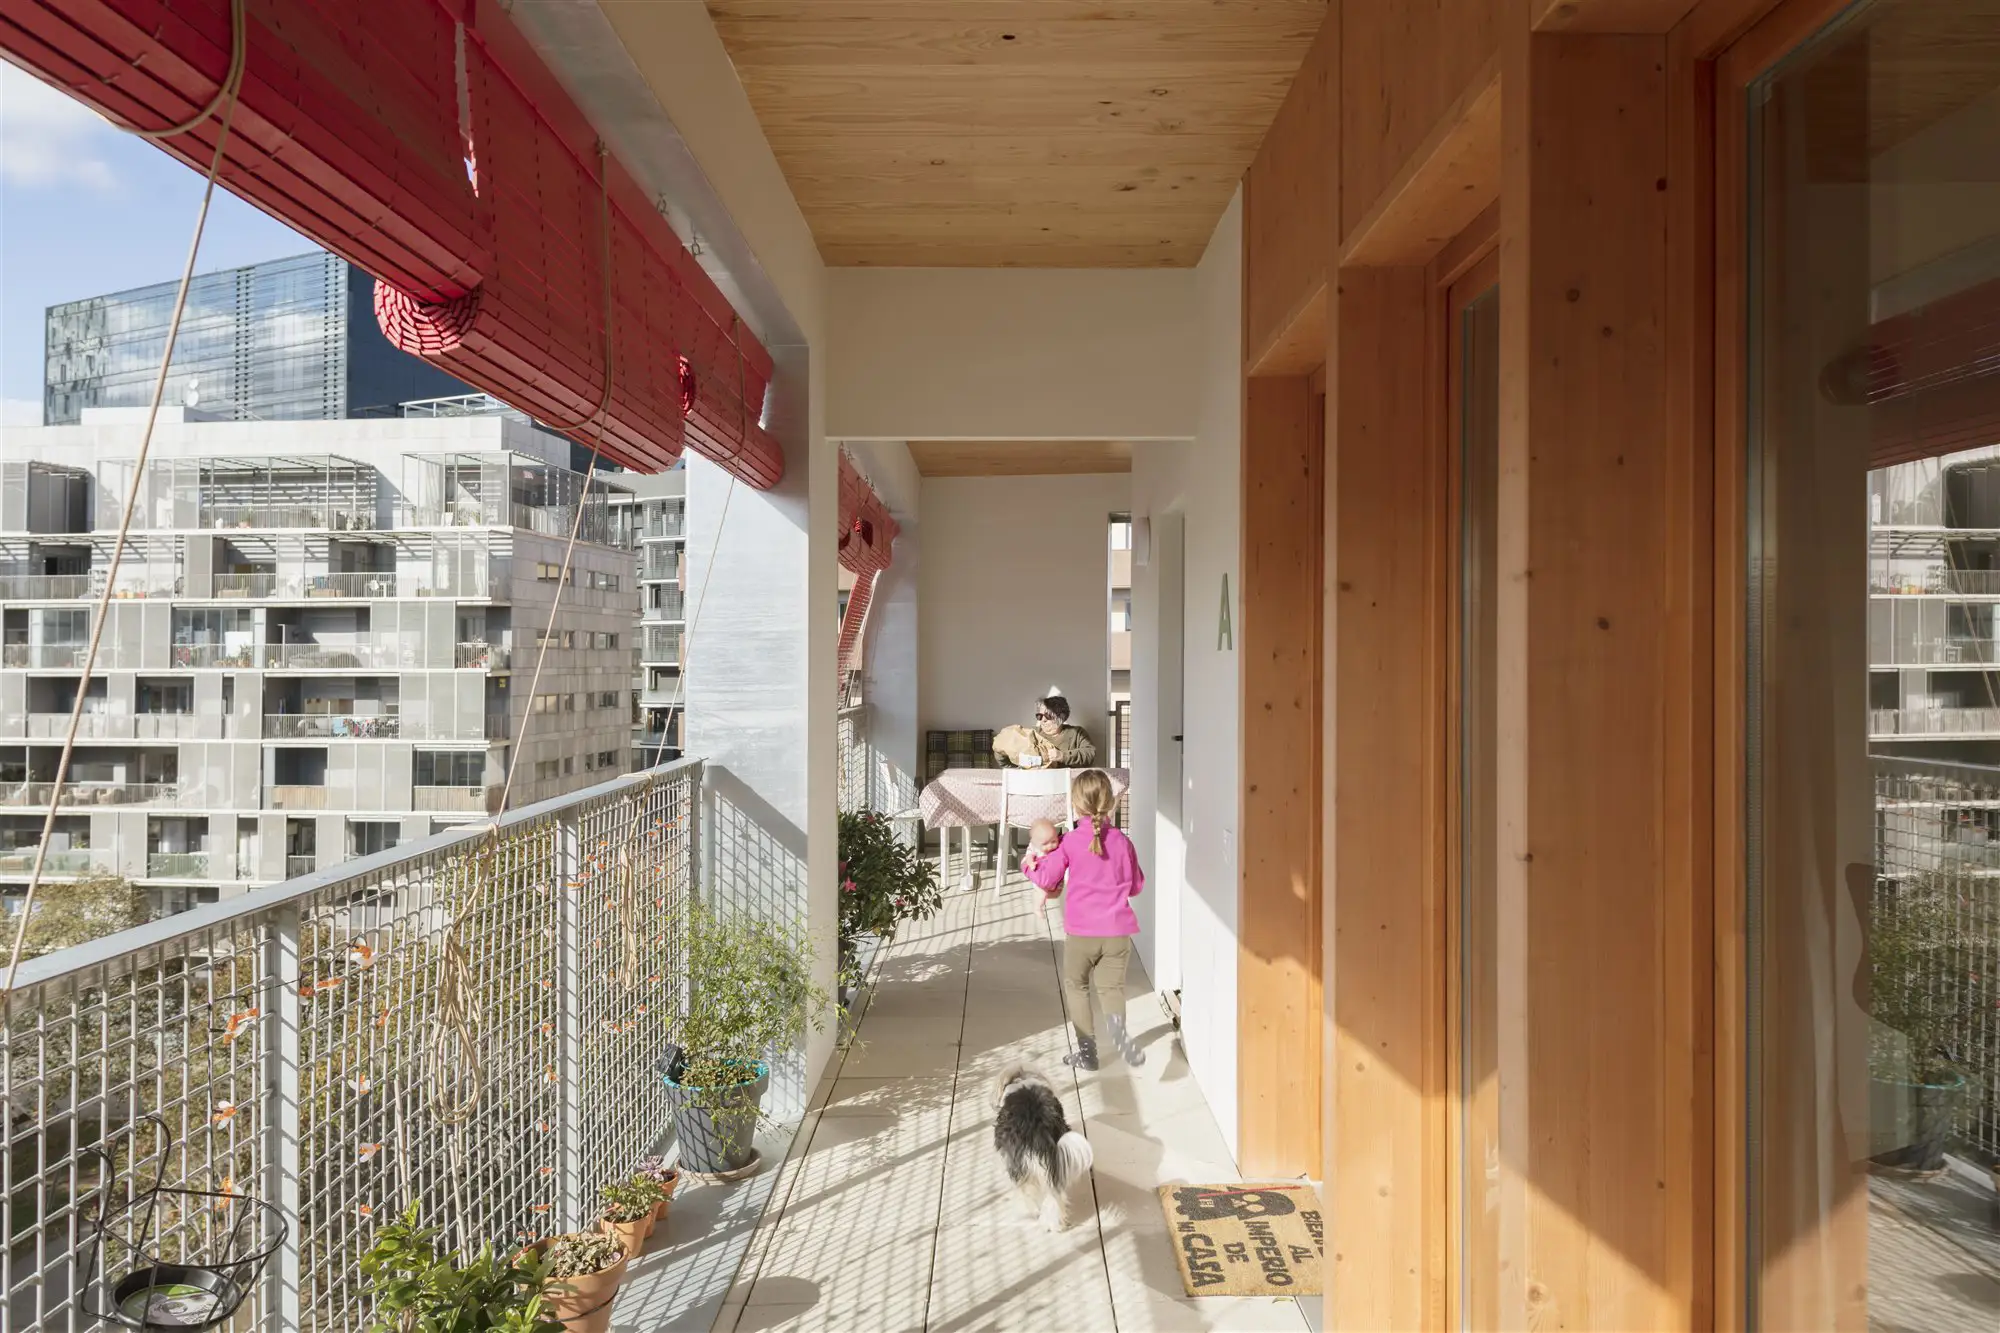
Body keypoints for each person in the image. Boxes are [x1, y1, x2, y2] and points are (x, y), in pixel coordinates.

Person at [1022, 770, 1145, 1070]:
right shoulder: (1123, 842)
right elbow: (1136, 886)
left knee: (1077, 987)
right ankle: (1117, 1032)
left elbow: (1048, 878)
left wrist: (1027, 867)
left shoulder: (1070, 842)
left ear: (1076, 807)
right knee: (1111, 989)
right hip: (1117, 933)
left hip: (1082, 934)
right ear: (1111, 804)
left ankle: (1087, 1054)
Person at [992, 690, 1097, 769]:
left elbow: (1090, 754)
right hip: (1035, 786)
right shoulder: (1032, 734)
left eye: (1048, 716)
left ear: (1062, 717)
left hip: (1066, 786)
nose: (1043, 720)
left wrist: (1062, 756)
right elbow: (1007, 764)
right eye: (1039, 716)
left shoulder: (1076, 733)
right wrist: (1001, 749)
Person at [1026, 819, 1061, 917]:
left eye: (1053, 841)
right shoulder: (1034, 847)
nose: (1050, 846)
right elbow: (1028, 856)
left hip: (1053, 876)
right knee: (1043, 893)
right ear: (1035, 842)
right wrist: (1031, 863)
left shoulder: (1058, 848)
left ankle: (1039, 896)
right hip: (1041, 877)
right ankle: (1037, 907)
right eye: (1045, 844)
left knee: (1056, 893)